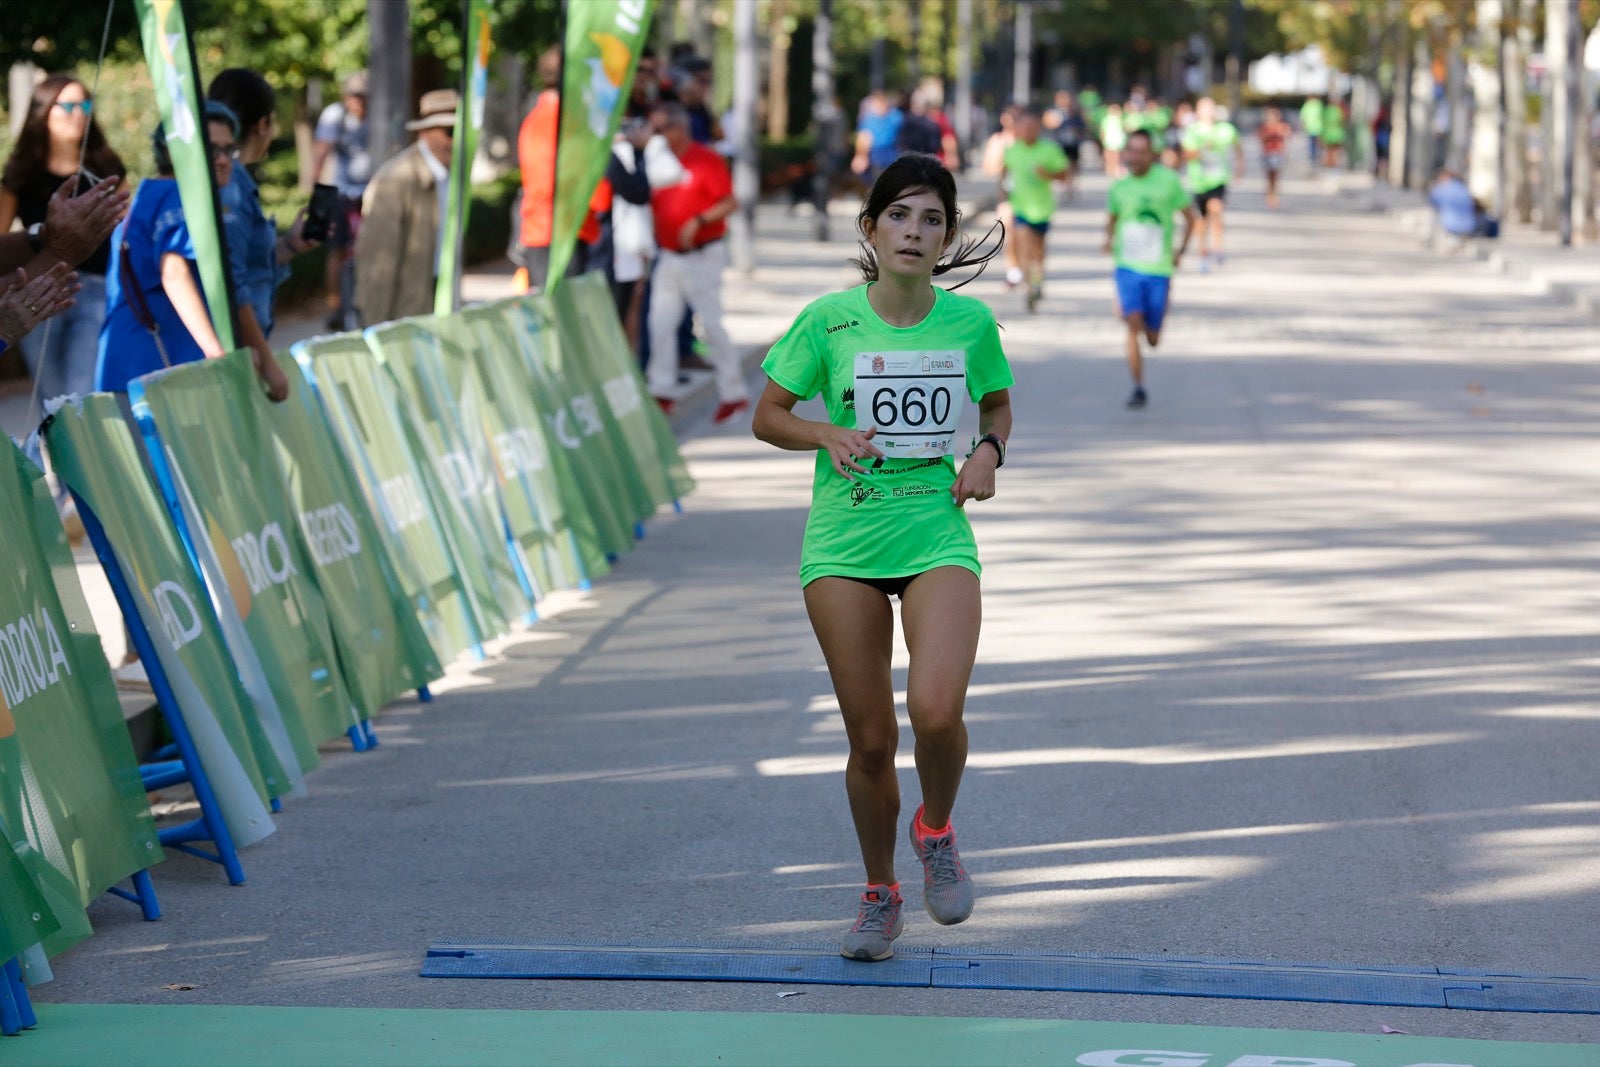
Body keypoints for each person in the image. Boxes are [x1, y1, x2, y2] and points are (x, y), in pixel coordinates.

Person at [750, 153, 1013, 963]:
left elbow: (996, 400)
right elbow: (768, 414)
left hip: (935, 534)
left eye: (932, 219)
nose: (915, 231)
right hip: (844, 546)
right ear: (870, 229)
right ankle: (879, 892)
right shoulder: (827, 320)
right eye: (899, 214)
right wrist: (824, 430)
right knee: (870, 741)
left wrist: (987, 452)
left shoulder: (968, 325)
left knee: (936, 712)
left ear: (946, 239)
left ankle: (934, 828)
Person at [97, 103, 257, 393]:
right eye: (211, 150)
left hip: (130, 366)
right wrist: (217, 354)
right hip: (157, 372)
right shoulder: (177, 196)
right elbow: (174, 272)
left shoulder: (151, 193)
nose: (222, 160)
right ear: (172, 151)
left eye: (229, 150)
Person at [0, 74, 124, 407]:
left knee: (79, 393)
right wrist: (44, 235)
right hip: (41, 285)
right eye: (67, 105)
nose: (78, 113)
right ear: (44, 112)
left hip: (94, 288)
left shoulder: (106, 166)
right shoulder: (21, 171)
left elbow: (127, 230)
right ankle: (57, 459)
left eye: (85, 104)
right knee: (51, 398)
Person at [210, 67, 317, 402]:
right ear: (262, 125)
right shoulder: (233, 187)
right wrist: (266, 360)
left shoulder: (235, 182)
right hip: (237, 355)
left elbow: (242, 260)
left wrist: (288, 246)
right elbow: (231, 280)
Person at [644, 103, 745, 424]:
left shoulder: (705, 159)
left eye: (661, 129)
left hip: (702, 254)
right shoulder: (657, 161)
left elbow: (729, 202)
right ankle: (662, 390)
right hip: (670, 255)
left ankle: (734, 393)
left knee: (711, 324)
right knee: (660, 323)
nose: (655, 136)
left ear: (679, 129)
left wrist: (698, 221)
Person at [1103, 129, 1196, 411]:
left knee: (1153, 339)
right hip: (1128, 267)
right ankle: (1138, 387)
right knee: (1132, 322)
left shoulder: (1168, 181)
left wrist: (1181, 251)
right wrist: (1107, 239)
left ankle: (1151, 322)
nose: (1136, 156)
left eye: (1142, 151)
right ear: (1126, 153)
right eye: (1132, 150)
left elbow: (1191, 217)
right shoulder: (1119, 187)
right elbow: (1112, 218)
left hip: (1159, 269)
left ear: (1151, 155)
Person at [355, 89, 457, 326]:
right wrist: (377, 331)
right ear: (425, 131)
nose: (457, 140)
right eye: (450, 132)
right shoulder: (396, 180)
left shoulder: (451, 176)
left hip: (436, 306)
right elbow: (376, 268)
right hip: (404, 316)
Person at [311, 72, 371, 329]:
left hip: (371, 192)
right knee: (335, 249)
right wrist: (317, 198)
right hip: (341, 191)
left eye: (363, 97)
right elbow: (321, 154)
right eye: (353, 96)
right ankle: (335, 305)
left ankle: (367, 299)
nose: (358, 102)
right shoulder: (335, 116)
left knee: (372, 248)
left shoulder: (377, 116)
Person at [1001, 109, 1068, 312]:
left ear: (1038, 129)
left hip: (1042, 209)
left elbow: (1064, 175)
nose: (1028, 131)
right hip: (1020, 208)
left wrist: (1047, 174)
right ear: (1018, 130)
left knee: (1038, 252)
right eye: (1024, 127)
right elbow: (1004, 174)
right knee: (1023, 243)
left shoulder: (1049, 150)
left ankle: (1037, 282)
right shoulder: (1012, 150)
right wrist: (1002, 195)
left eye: (1032, 127)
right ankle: (1029, 284)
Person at [1180, 97, 1242, 271]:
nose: (1208, 112)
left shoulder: (1225, 129)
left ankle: (1218, 247)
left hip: (1218, 180)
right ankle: (1203, 251)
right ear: (1198, 112)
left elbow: (1238, 148)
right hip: (1198, 182)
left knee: (1216, 209)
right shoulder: (1192, 131)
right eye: (1204, 109)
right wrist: (1203, 149)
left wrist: (1239, 169)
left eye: (1211, 108)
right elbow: (1187, 155)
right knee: (1201, 220)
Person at [979, 104, 1021, 288]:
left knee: (1026, 236)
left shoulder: (1028, 142)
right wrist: (1001, 163)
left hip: (1030, 198)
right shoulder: (997, 141)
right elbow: (988, 168)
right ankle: (1013, 270)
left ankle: (1026, 267)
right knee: (1009, 232)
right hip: (1007, 195)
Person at [852, 90, 905, 186]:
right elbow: (863, 138)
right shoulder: (869, 120)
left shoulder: (895, 117)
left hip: (892, 155)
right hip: (876, 156)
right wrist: (861, 156)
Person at [1043, 90, 1086, 200]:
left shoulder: (1074, 111)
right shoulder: (1053, 112)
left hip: (1073, 143)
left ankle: (1070, 184)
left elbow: (1082, 125)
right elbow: (1047, 123)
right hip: (1059, 143)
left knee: (1073, 165)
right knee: (1063, 165)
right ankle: (1063, 185)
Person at [1429, 168, 1480, 249]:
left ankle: (1432, 242)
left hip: (1450, 225)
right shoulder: (1464, 188)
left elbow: (1433, 203)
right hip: (1469, 225)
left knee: (1435, 214)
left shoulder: (1441, 189)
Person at [1257, 106, 1291, 209]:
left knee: (1276, 176)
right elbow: (1261, 139)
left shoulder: (1282, 126)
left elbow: (1287, 136)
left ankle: (1274, 195)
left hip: (1278, 153)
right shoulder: (1265, 127)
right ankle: (1270, 194)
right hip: (1268, 153)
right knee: (1269, 175)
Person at [1100, 102, 1127, 179]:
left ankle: (1114, 169)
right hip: (1110, 139)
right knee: (1111, 156)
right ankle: (1111, 169)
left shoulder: (1119, 119)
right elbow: (1103, 130)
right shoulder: (1107, 119)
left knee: (1115, 156)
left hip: (1116, 140)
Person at [1321, 96, 1346, 169]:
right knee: (1335, 149)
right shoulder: (1338, 111)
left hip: (1328, 132)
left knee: (1328, 149)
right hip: (1336, 132)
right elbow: (1342, 121)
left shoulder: (1325, 111)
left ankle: (1329, 162)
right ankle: (1334, 162)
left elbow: (1323, 122)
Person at [1300, 96, 1324, 168]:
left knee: (1312, 144)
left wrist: (1304, 126)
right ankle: (1316, 157)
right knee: (1317, 144)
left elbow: (1303, 117)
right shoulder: (1318, 104)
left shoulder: (1307, 105)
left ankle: (1314, 157)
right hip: (1318, 127)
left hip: (1311, 127)